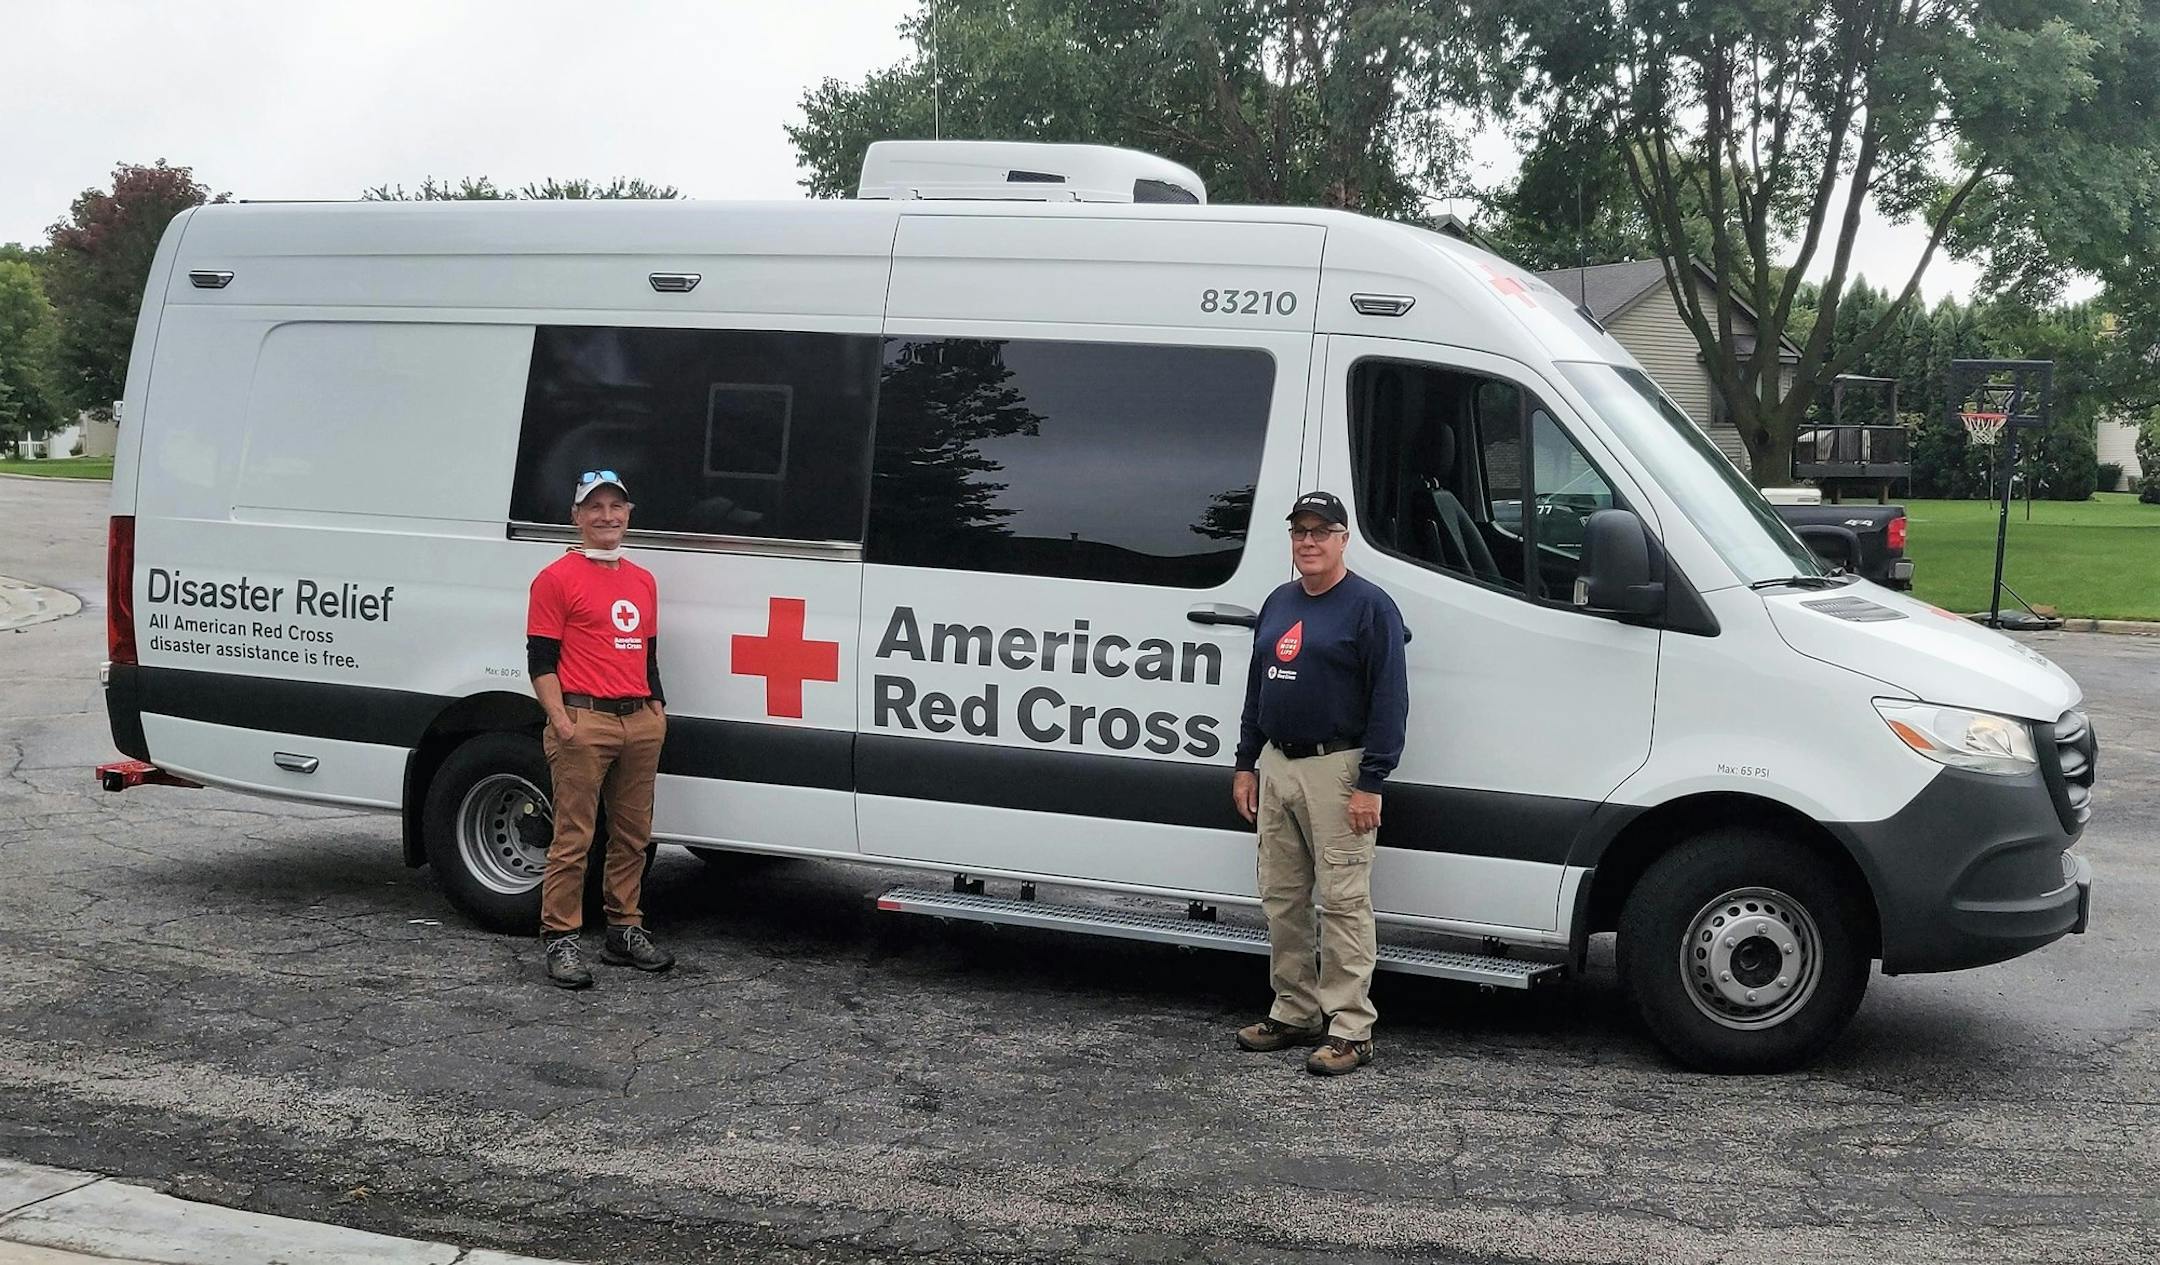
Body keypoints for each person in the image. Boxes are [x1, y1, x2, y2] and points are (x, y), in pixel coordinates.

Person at [1231, 491, 1408, 1076]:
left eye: (1320, 531)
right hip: (1277, 766)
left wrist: (1371, 781)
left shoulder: (1369, 607)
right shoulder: (1279, 602)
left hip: (1339, 771)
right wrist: (1245, 762)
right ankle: (1294, 1010)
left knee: (1343, 902)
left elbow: (1389, 700)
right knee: (1282, 896)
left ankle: (1351, 1028)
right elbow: (1258, 689)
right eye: (1299, 531)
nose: (1308, 541)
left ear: (1343, 539)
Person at [526, 469, 674, 988]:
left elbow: (649, 655)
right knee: (574, 837)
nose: (607, 517)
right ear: (577, 517)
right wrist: (562, 721)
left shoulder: (642, 579)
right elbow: (541, 659)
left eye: (616, 507)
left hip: (638, 720)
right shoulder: (555, 578)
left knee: (633, 837)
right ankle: (561, 938)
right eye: (595, 508)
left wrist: (657, 708)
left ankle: (624, 929)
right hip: (583, 720)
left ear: (628, 515)